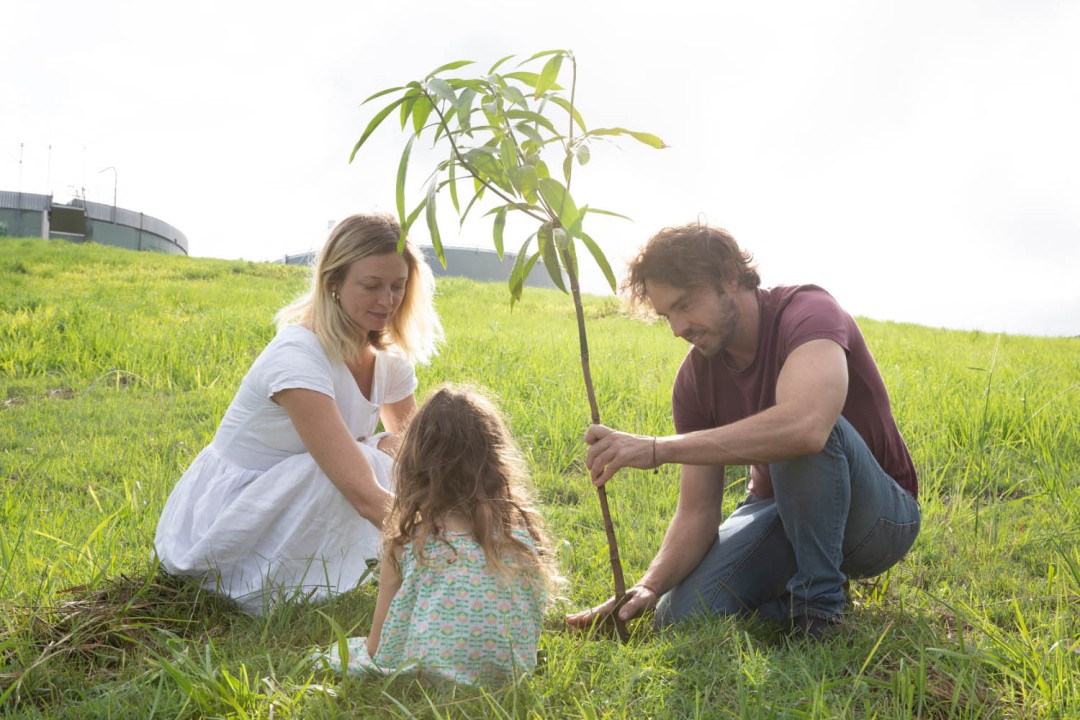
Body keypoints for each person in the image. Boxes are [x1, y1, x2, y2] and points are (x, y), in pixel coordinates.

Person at [565, 222, 920, 637]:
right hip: (778, 512)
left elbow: (808, 428)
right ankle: (792, 596)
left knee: (796, 433)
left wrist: (659, 449)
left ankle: (819, 610)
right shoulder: (695, 380)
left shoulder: (808, 312)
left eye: (685, 305)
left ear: (730, 276)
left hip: (877, 520)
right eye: (667, 315)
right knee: (676, 615)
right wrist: (648, 585)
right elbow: (698, 510)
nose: (678, 329)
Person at [155, 214, 443, 614]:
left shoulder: (387, 362)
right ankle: (286, 580)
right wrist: (446, 551)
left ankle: (391, 563)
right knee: (357, 465)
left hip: (296, 491)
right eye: (371, 286)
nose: (387, 301)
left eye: (397, 286)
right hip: (228, 519)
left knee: (400, 449)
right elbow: (361, 493)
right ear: (333, 284)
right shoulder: (297, 357)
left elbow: (420, 465)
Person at [314, 384, 556, 684]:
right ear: (495, 462)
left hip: (426, 675)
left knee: (339, 655)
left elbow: (378, 647)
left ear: (416, 463)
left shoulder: (409, 540)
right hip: (509, 675)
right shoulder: (520, 537)